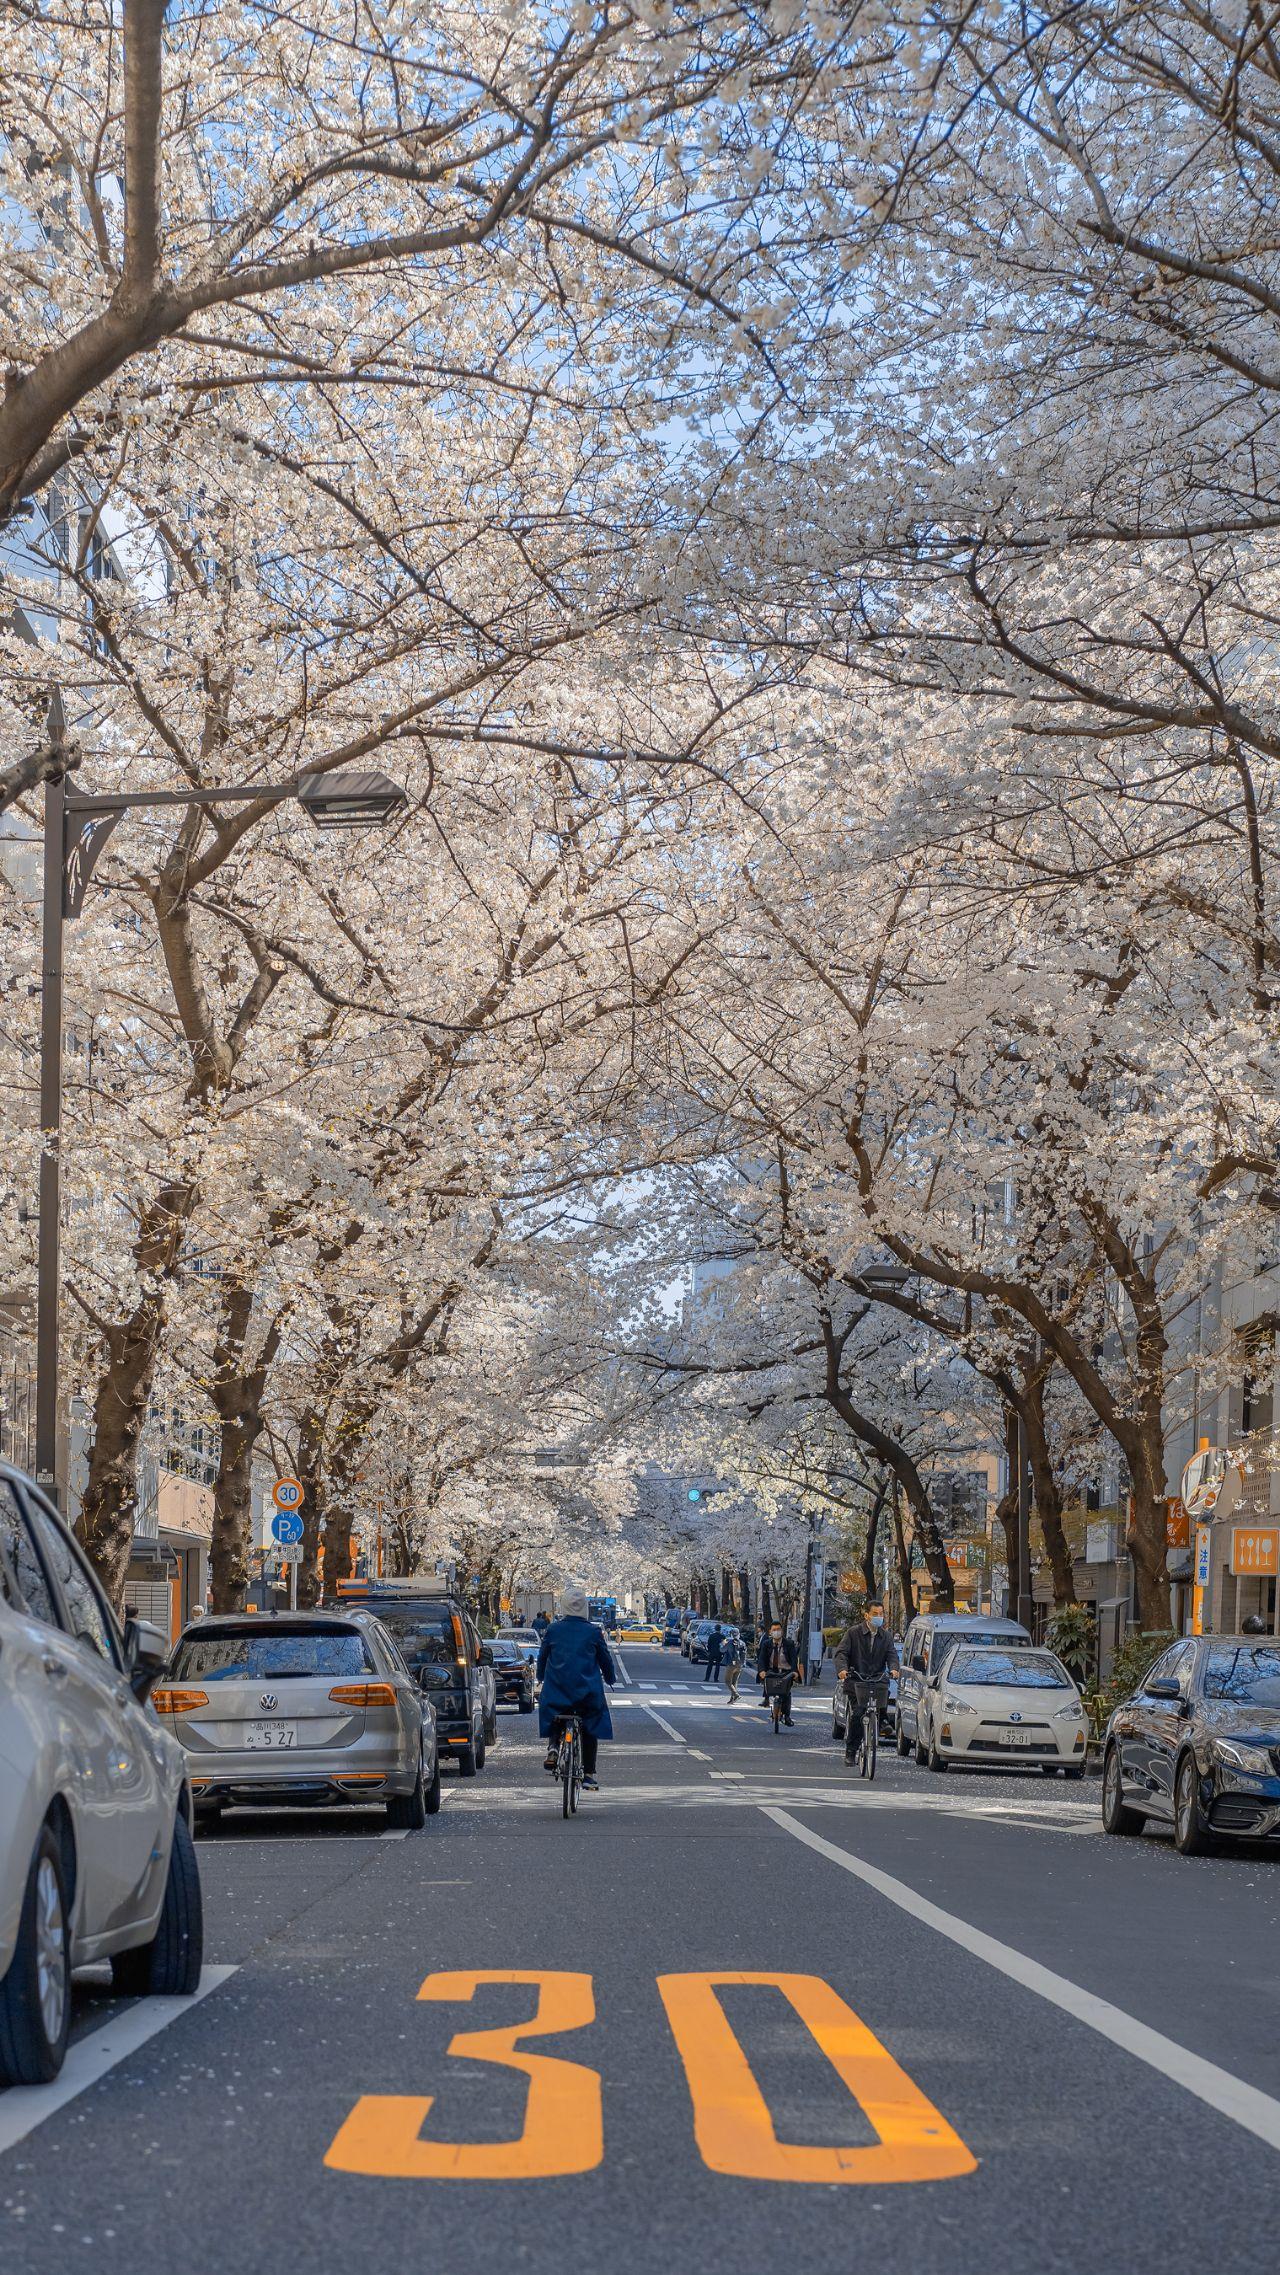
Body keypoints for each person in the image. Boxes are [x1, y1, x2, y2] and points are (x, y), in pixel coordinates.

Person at [536, 1586, 616, 1790]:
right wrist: (610, 1678)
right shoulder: (593, 1632)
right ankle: (588, 1773)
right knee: (590, 1724)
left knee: (555, 1714)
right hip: (586, 1693)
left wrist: (540, 1676)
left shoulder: (554, 1629)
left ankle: (553, 1747)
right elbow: (605, 1660)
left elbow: (542, 1657)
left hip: (557, 1690)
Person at [833, 1597, 900, 1767]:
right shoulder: (853, 1633)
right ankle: (851, 1751)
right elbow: (841, 1653)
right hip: (856, 1679)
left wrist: (894, 1669)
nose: (879, 1616)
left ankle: (883, 1720)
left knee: (883, 1692)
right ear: (866, 1616)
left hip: (877, 1677)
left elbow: (892, 1655)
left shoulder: (886, 1637)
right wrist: (842, 1669)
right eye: (875, 1614)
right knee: (858, 1713)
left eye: (881, 1613)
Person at [756, 1621, 799, 1724]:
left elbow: (793, 1659)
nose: (776, 1632)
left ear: (782, 1631)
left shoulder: (789, 1644)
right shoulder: (766, 1644)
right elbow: (761, 1659)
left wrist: (794, 1672)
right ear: (770, 1632)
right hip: (771, 1671)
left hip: (786, 1671)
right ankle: (766, 1699)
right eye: (774, 1630)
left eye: (778, 1630)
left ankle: (787, 1716)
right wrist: (761, 1671)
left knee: (787, 1694)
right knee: (768, 1683)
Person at [724, 1628, 746, 1701]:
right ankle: (732, 1698)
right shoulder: (742, 1643)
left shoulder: (729, 1642)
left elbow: (722, 1649)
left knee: (727, 1681)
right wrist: (743, 1663)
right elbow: (744, 1654)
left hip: (731, 1664)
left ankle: (736, 1695)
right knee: (734, 1682)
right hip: (739, 1665)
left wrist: (723, 1643)